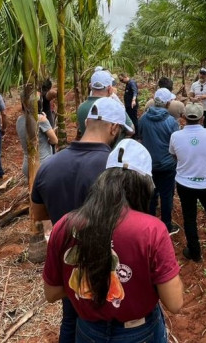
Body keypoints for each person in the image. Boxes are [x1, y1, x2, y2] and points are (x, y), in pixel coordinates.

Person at [43, 139, 184, 343]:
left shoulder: (65, 225)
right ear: (144, 186)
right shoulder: (152, 230)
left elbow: (52, 292)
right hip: (139, 332)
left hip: (87, 331)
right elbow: (175, 302)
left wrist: (91, 278)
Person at [32, 97, 132, 343]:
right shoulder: (116, 169)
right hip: (106, 265)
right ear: (114, 128)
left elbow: (38, 215)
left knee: (70, 316)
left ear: (87, 121)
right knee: (104, 321)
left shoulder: (49, 165)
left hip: (69, 262)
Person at [169, 103, 206, 261]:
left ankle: (194, 252)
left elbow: (174, 155)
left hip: (184, 184)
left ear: (183, 118)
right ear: (202, 118)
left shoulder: (176, 136)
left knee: (189, 217)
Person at [139, 88, 181, 235]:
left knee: (151, 194)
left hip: (149, 164)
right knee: (167, 195)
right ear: (168, 103)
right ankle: (166, 226)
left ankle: (150, 225)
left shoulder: (143, 118)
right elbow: (176, 144)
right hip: (167, 165)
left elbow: (140, 136)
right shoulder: (171, 122)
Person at [77, 70, 134, 139]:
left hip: (88, 149)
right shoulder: (114, 106)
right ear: (110, 89)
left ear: (90, 86)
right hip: (111, 149)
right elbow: (131, 130)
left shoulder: (81, 108)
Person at [16, 97, 57, 182]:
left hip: (27, 165)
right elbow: (55, 140)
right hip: (42, 165)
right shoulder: (40, 119)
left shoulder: (19, 120)